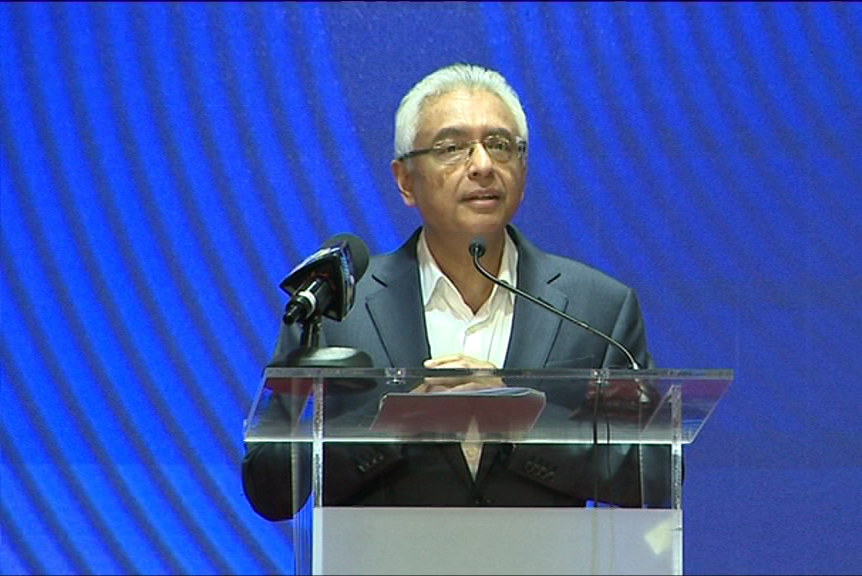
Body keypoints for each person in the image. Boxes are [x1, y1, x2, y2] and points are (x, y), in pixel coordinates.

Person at [242, 63, 668, 521]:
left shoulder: (598, 308)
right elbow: (269, 489)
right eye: (451, 148)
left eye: (500, 145)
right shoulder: (336, 306)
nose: (483, 165)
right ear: (405, 180)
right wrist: (392, 426)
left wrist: (522, 420)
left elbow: (653, 475)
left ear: (523, 169)